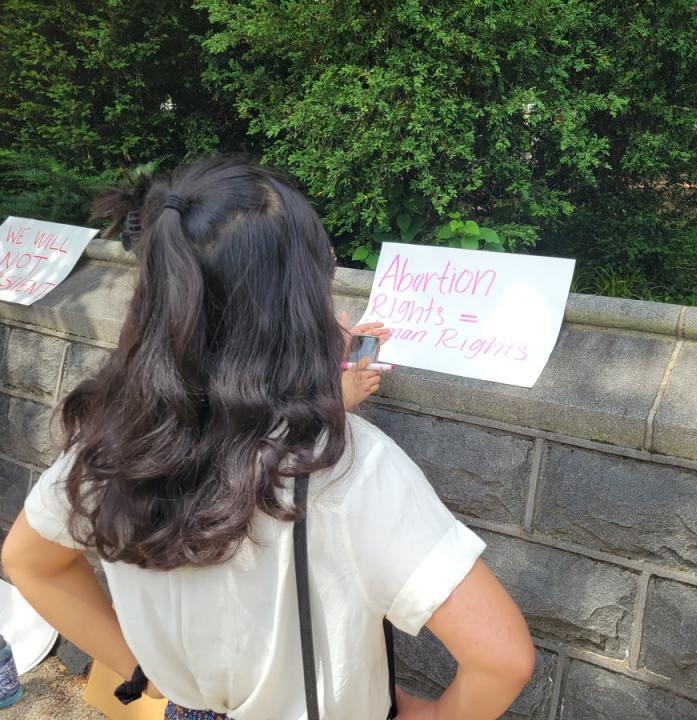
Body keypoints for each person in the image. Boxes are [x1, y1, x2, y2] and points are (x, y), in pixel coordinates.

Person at [1, 157, 535, 720]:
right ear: (298, 303)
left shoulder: (110, 442)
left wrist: (145, 672)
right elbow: (501, 659)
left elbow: (29, 560)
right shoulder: (353, 468)